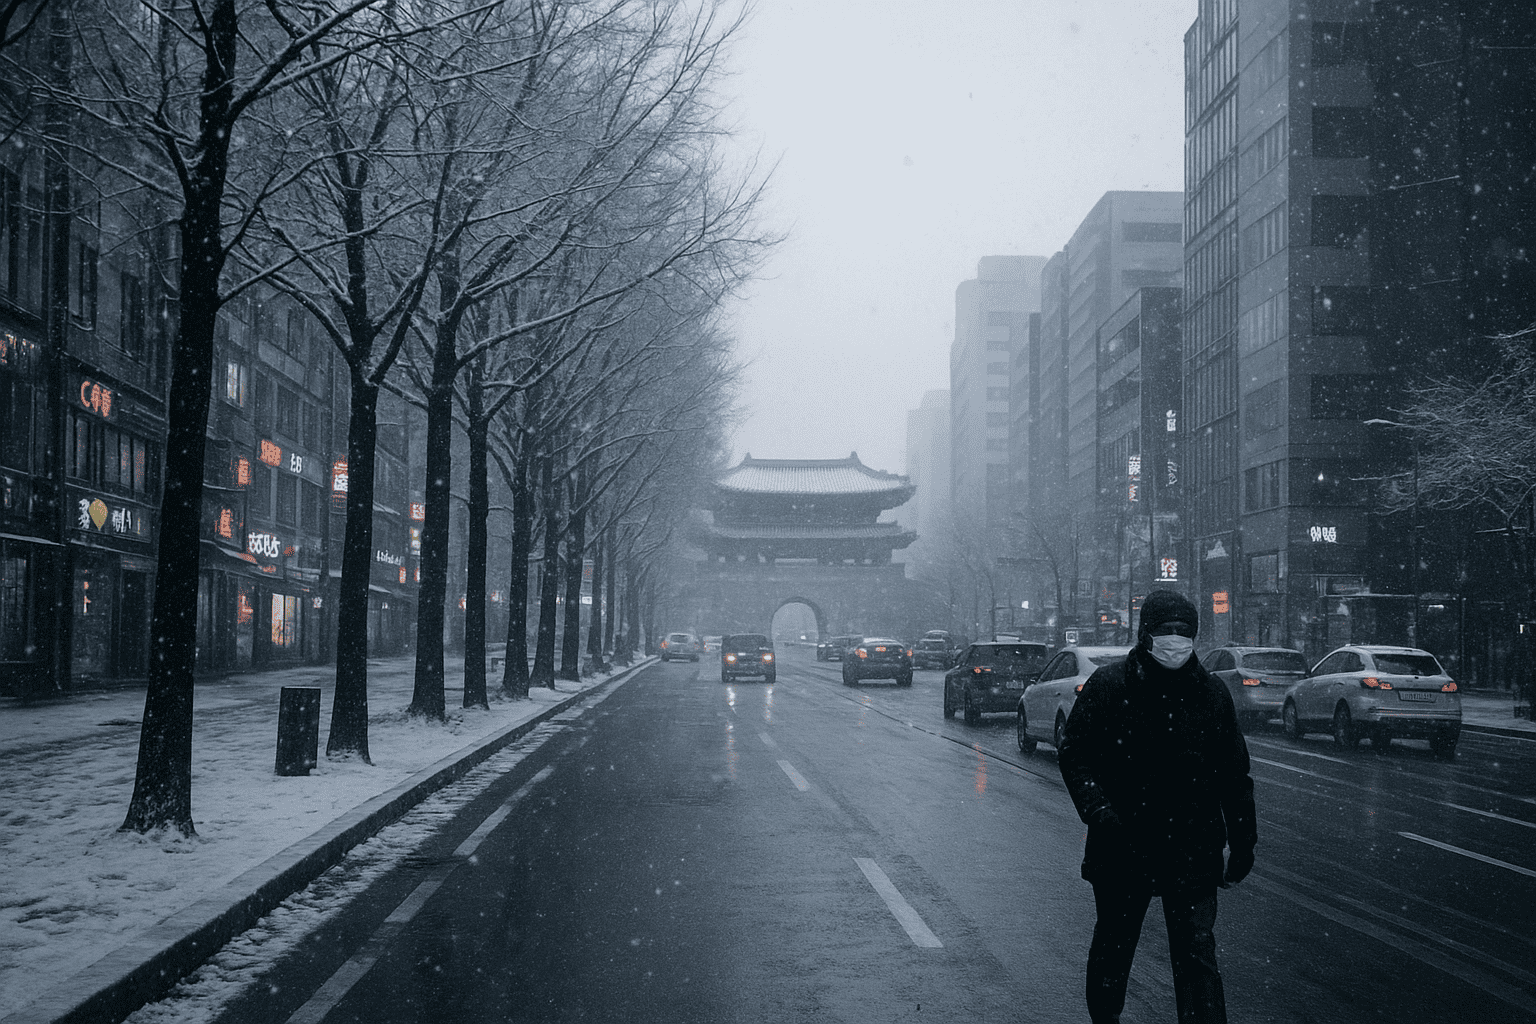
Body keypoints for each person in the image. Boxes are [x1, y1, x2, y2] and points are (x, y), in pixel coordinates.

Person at [1058, 589, 1256, 1024]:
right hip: (1123, 843)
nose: (1175, 641)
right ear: (1145, 634)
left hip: (1192, 846)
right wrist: (1100, 811)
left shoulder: (1211, 693)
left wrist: (1243, 843)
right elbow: (1075, 754)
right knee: (1114, 948)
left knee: (1196, 955)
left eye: (1184, 632)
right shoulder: (1110, 686)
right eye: (1167, 631)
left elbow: (1233, 775)